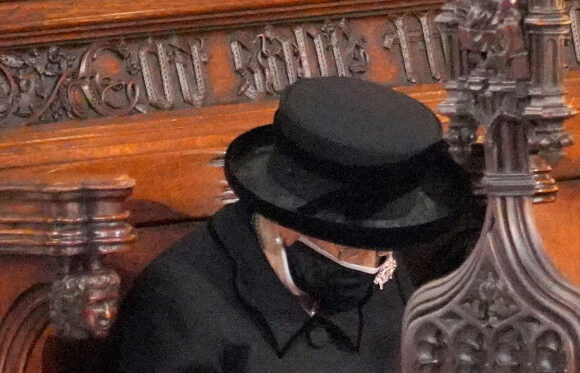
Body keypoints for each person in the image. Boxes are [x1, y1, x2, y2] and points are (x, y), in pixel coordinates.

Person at [105, 77, 481, 373]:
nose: (372, 267)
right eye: (351, 248)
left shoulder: (380, 266)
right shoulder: (179, 310)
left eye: (384, 252)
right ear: (285, 223)